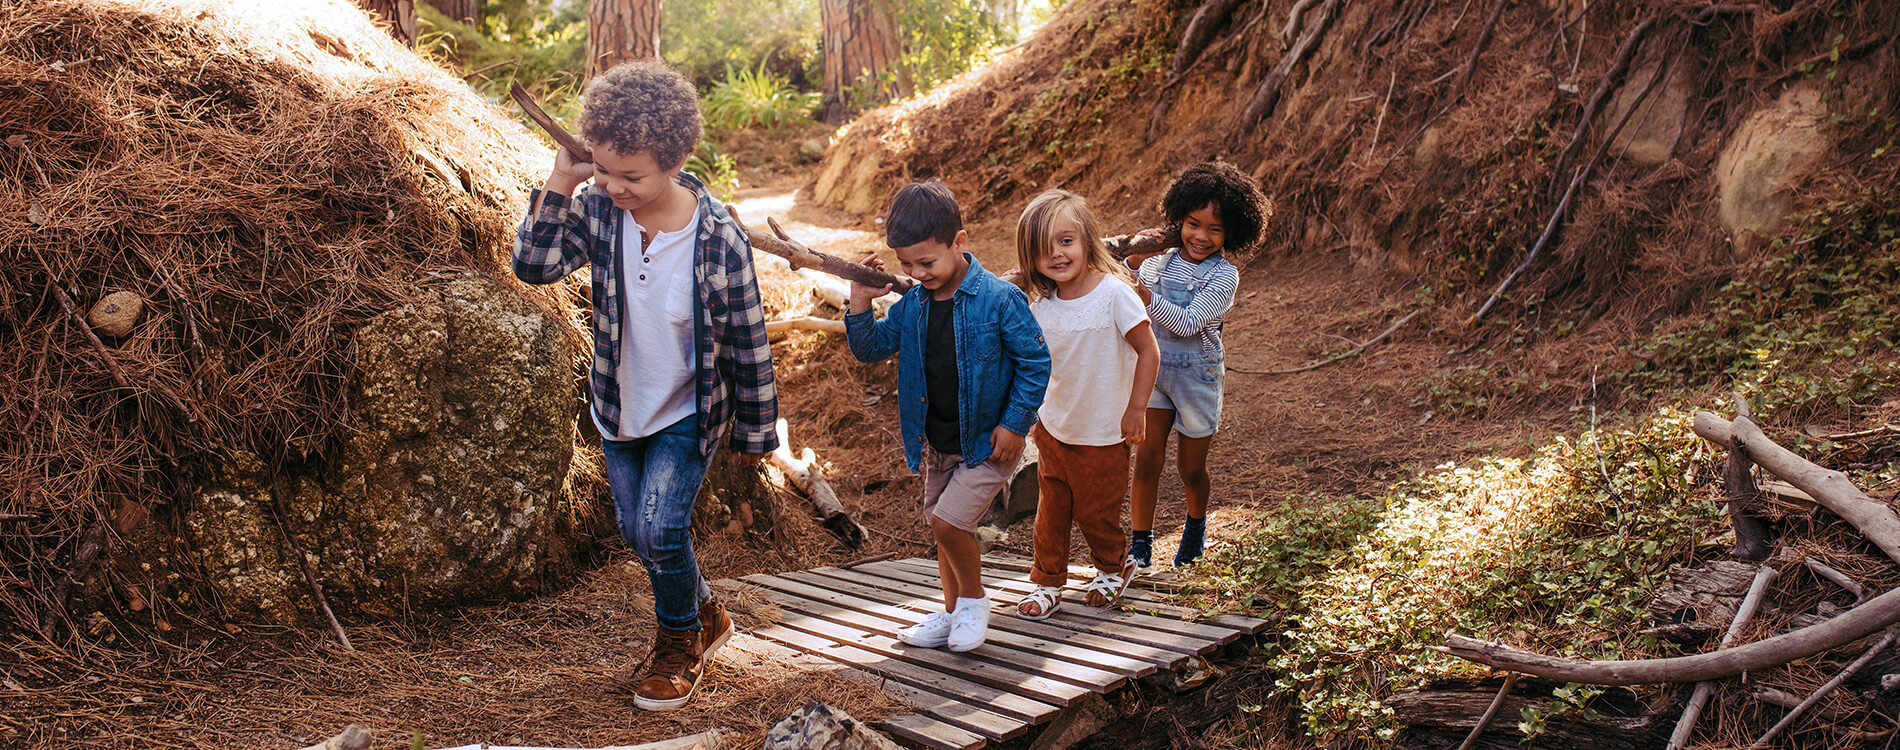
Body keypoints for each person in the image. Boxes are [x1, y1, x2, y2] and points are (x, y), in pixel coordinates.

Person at [511, 60, 778, 711]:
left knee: (659, 529)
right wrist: (564, 181)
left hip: (690, 411)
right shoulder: (601, 211)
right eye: (604, 169)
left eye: (632, 175)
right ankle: (707, 611)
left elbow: (748, 340)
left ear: (675, 159)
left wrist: (757, 431)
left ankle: (677, 646)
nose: (615, 185)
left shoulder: (717, 240)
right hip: (619, 405)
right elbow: (534, 263)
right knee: (639, 531)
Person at [845, 180, 1050, 651]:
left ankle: (975, 602)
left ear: (960, 241)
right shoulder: (913, 306)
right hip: (938, 446)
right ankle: (953, 610)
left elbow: (1035, 362)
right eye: (906, 265)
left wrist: (1016, 424)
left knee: (948, 524)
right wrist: (860, 299)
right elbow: (869, 348)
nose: (917, 273)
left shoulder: (999, 299)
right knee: (942, 527)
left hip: (988, 443)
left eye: (927, 262)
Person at [1010, 190, 1160, 620]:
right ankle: (1047, 580)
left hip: (1104, 430)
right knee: (1050, 511)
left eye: (1065, 241)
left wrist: (1136, 409)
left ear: (1087, 240)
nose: (1056, 254)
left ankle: (1115, 565)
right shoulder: (1040, 305)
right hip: (1054, 427)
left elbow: (1148, 351)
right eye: (1042, 248)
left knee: (1096, 511)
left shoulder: (1114, 293)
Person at [1127, 161, 1270, 571]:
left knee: (1191, 469)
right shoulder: (1157, 261)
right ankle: (1140, 544)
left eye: (1215, 229)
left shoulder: (1225, 277)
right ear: (1178, 220)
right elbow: (1126, 284)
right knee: (1147, 459)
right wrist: (1131, 262)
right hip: (1153, 368)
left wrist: (1142, 289)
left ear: (1232, 234)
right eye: (1193, 224)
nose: (1201, 237)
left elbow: (1187, 322)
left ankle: (1194, 527)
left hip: (1197, 375)